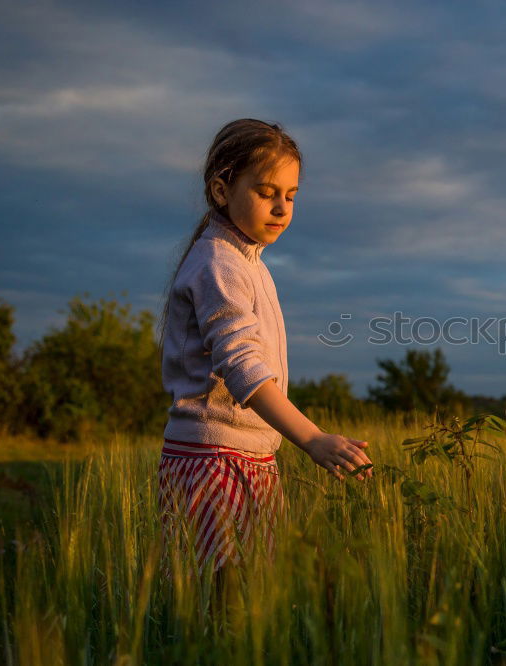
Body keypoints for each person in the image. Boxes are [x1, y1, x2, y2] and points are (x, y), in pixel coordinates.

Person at [156, 118, 373, 576]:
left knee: (255, 601)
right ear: (221, 190)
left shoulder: (247, 262)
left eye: (290, 196)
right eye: (265, 192)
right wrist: (312, 439)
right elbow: (242, 367)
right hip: (212, 461)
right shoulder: (219, 264)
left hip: (251, 457)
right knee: (224, 602)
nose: (281, 208)